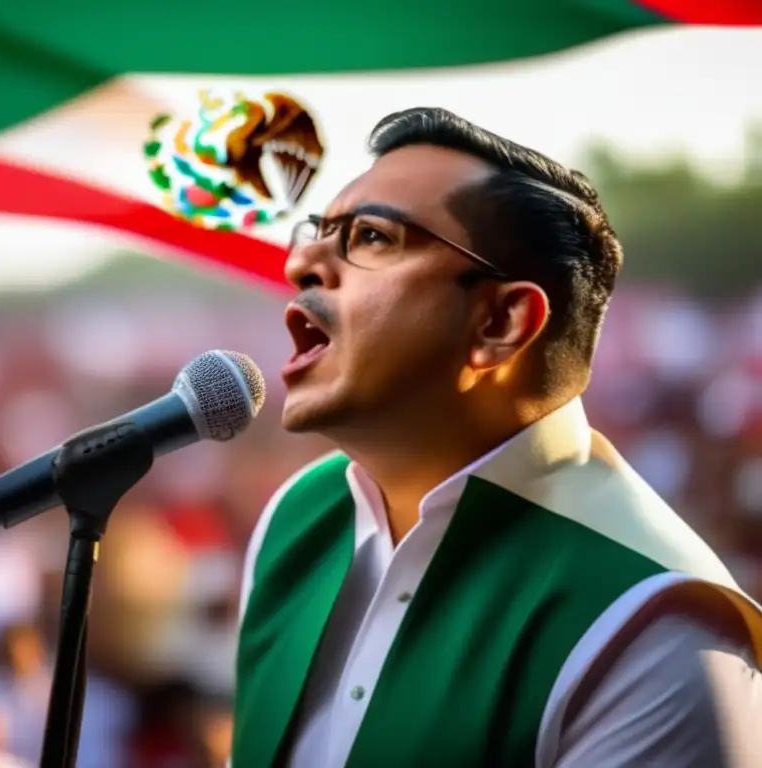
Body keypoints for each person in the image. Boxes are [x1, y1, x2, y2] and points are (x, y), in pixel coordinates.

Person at [231, 108, 762, 767]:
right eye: (317, 233)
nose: (303, 262)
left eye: (370, 237)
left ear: (502, 322)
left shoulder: (652, 621)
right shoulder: (297, 519)